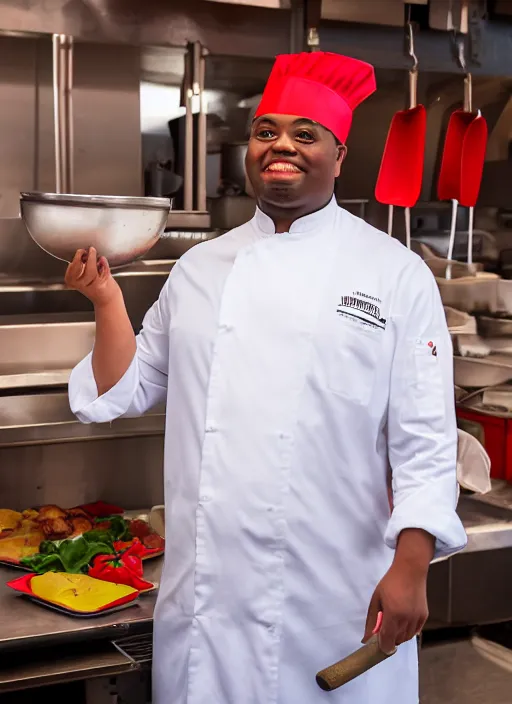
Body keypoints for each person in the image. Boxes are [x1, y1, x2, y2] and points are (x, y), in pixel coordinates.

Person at [67, 52, 467, 704]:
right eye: (266, 131)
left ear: (339, 156)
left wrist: (412, 566)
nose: (281, 145)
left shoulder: (394, 274)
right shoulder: (200, 269)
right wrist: (107, 301)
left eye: (305, 133)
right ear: (249, 150)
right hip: (210, 601)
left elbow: (423, 440)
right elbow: (125, 392)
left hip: (332, 595)